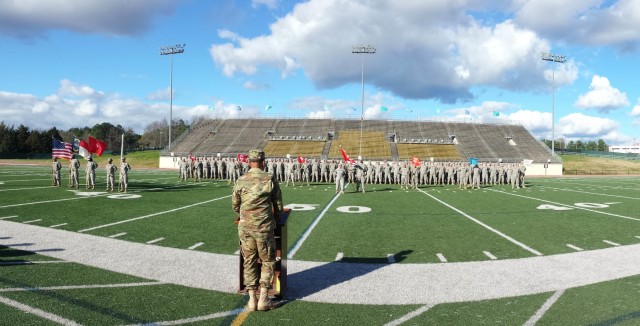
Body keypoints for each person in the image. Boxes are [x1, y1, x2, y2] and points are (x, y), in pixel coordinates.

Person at [232, 149, 283, 312]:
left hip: (245, 228)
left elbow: (235, 205)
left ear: (249, 162)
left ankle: (252, 299)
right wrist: (277, 218)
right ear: (263, 162)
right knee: (267, 261)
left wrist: (244, 214)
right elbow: (278, 204)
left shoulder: (241, 180)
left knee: (249, 261)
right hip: (264, 228)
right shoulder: (269, 178)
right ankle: (263, 299)